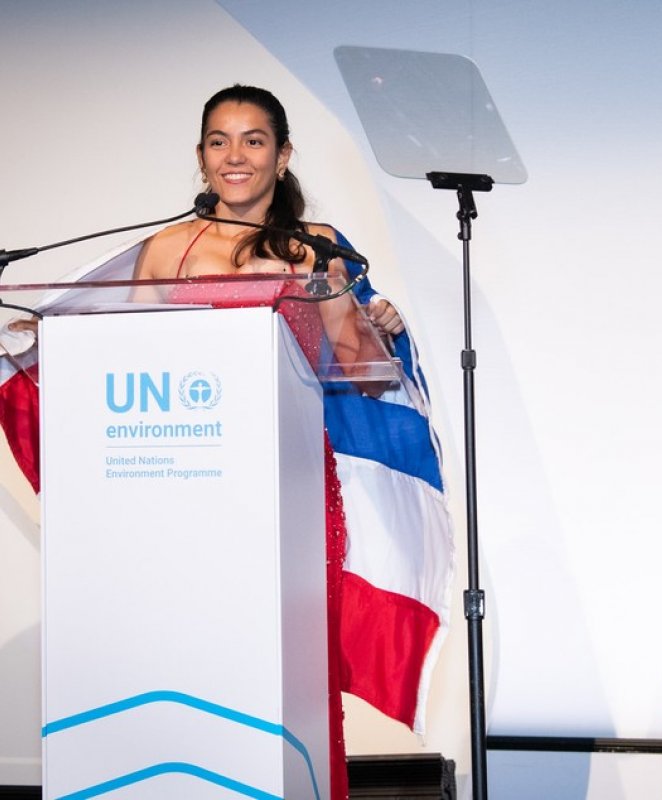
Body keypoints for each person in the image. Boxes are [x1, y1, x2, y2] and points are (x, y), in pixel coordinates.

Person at [131, 84, 406, 800]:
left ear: (282, 157)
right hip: (176, 480)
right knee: (190, 650)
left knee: (287, 664)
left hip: (286, 483)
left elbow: (365, 376)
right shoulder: (165, 248)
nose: (235, 155)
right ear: (200, 157)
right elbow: (124, 359)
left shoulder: (314, 249)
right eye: (219, 140)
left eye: (254, 140)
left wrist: (374, 322)